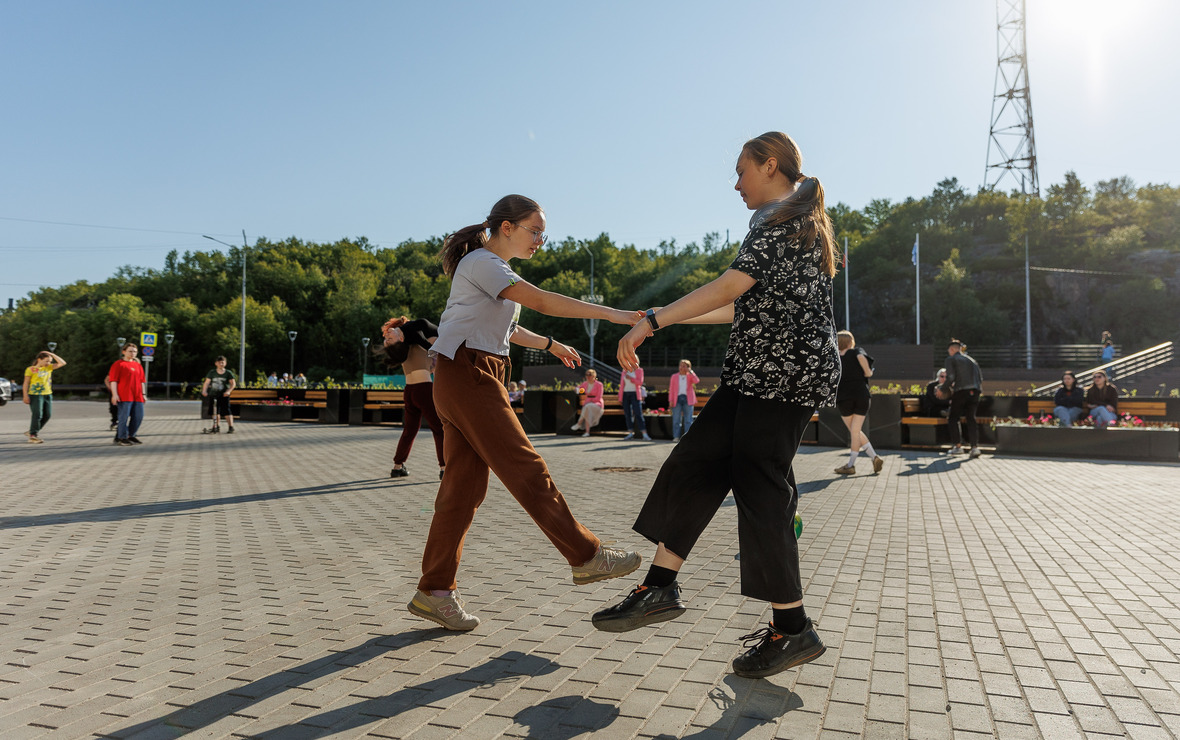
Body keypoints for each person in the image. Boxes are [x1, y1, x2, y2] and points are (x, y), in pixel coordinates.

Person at [592, 132, 841, 680]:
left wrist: (656, 320)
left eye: (742, 171)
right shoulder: (794, 218)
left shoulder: (781, 219)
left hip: (783, 373)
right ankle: (659, 589)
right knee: (696, 461)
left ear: (769, 165)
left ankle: (792, 628)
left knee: (759, 485)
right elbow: (738, 306)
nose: (736, 184)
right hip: (760, 370)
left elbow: (731, 286)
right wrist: (664, 315)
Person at [407, 194, 645, 632]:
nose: (540, 239)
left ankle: (434, 591)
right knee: (526, 468)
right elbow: (543, 301)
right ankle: (587, 556)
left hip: (468, 372)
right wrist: (615, 315)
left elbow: (510, 327)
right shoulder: (484, 262)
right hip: (469, 372)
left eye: (543, 233)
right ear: (507, 227)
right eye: (534, 230)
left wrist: (551, 345)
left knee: (462, 492)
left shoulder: (491, 271)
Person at [377, 316, 445, 480]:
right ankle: (444, 467)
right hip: (424, 390)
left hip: (409, 391)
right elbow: (436, 356)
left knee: (409, 430)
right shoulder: (417, 341)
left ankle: (397, 466)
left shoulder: (401, 350)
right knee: (438, 429)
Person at [832, 331, 883, 475]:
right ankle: (873, 458)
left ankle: (851, 465)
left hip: (843, 397)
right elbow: (862, 359)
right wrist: (868, 372)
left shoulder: (835, 356)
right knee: (856, 431)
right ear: (850, 342)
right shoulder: (856, 351)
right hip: (861, 395)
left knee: (854, 431)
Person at [937, 339, 983, 458]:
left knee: (953, 417)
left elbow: (951, 377)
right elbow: (980, 379)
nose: (948, 352)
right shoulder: (972, 361)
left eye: (949, 350)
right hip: (976, 391)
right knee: (971, 418)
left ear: (952, 349)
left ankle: (958, 447)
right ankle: (974, 448)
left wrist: (942, 388)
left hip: (961, 390)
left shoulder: (950, 359)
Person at [22, 350, 67, 444]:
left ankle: (31, 431)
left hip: (47, 394)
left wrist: (52, 354)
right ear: (39, 359)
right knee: (37, 415)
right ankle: (33, 436)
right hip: (35, 395)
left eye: (50, 361)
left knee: (47, 415)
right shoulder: (30, 369)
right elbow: (26, 383)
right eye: (47, 361)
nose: (49, 363)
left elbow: (63, 363)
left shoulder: (49, 368)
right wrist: (25, 395)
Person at [109, 343, 146, 446]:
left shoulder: (138, 365)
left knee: (139, 416)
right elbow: (113, 381)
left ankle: (131, 435)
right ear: (124, 352)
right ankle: (122, 437)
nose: (132, 353)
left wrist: (143, 394)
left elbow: (142, 381)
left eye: (134, 351)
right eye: (130, 351)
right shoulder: (118, 364)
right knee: (123, 417)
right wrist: (114, 394)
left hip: (137, 395)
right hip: (124, 395)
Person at [200, 355, 237, 434]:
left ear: (225, 363)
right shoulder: (212, 372)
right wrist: (204, 390)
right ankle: (216, 426)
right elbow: (207, 382)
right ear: (216, 363)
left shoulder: (228, 373)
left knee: (227, 411)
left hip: (224, 395)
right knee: (215, 411)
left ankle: (231, 427)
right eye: (219, 363)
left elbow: (233, 383)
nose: (221, 364)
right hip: (213, 394)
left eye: (223, 363)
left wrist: (228, 391)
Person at [668, 359, 699, 442]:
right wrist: (670, 400)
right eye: (680, 365)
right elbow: (671, 389)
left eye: (684, 366)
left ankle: (687, 438)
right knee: (676, 419)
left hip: (687, 399)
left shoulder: (690, 376)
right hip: (677, 399)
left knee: (688, 420)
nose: (681, 367)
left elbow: (696, 381)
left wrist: (691, 372)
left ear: (688, 367)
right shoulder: (674, 376)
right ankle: (676, 437)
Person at [618, 363, 651, 441]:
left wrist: (631, 378)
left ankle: (644, 434)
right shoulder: (624, 371)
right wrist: (620, 398)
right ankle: (630, 433)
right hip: (625, 394)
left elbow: (640, 382)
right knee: (627, 414)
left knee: (638, 413)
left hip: (635, 394)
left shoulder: (639, 370)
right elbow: (621, 385)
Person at [572, 369, 605, 437]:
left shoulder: (599, 384)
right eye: (587, 375)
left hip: (597, 404)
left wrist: (591, 400)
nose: (588, 376)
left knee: (587, 407)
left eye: (590, 375)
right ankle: (587, 432)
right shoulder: (585, 384)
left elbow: (599, 397)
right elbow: (579, 387)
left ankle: (579, 423)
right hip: (588, 404)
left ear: (594, 375)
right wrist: (576, 389)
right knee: (587, 409)